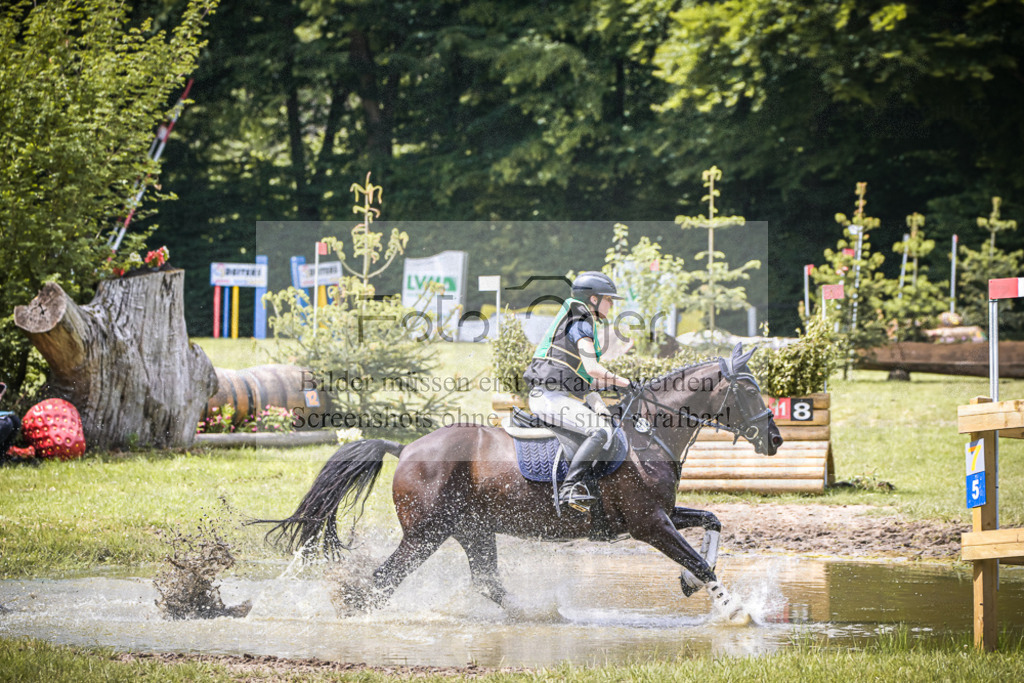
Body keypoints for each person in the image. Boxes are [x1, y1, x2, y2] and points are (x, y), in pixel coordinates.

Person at [523, 271, 634, 511]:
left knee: (604, 422)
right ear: (594, 299)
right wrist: (626, 382)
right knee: (600, 430)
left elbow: (586, 383)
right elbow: (594, 369)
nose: (612, 305)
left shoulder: (580, 321)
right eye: (609, 299)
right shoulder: (580, 322)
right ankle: (569, 488)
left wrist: (601, 405)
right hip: (548, 397)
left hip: (555, 396)